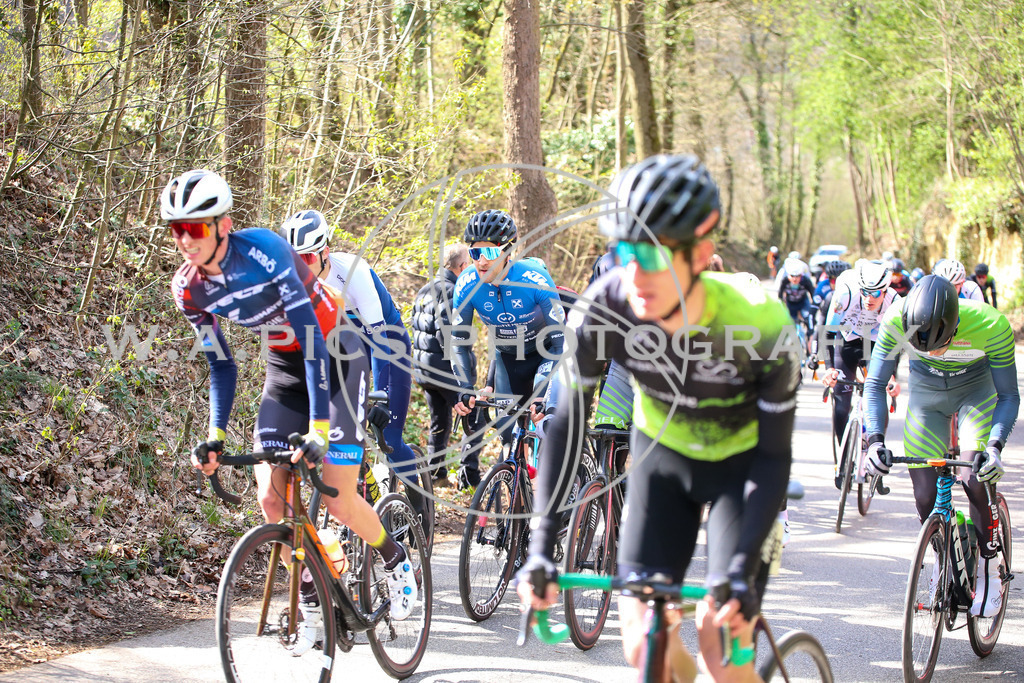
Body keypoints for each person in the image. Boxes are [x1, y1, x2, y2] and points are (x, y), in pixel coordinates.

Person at [518, 155, 799, 682]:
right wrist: (541, 544)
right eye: (625, 251)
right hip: (663, 464)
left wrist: (738, 572)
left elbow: (772, 453)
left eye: (654, 255)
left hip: (743, 473)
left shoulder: (760, 321)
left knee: (722, 639)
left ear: (702, 253)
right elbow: (566, 424)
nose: (636, 272)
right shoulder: (605, 308)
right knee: (641, 640)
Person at [163, 171, 416, 635]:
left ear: (224, 225)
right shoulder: (188, 289)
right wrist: (215, 435)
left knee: (338, 498)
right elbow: (222, 366)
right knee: (270, 499)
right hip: (284, 369)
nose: (186, 240)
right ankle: (310, 590)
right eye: (176, 229)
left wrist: (319, 428)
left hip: (338, 359)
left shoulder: (265, 252)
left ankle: (395, 559)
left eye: (195, 227)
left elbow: (316, 345)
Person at [865, 276, 1018, 617]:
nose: (933, 352)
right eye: (924, 346)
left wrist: (994, 446)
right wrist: (874, 441)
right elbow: (875, 384)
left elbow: (1009, 395)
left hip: (977, 391)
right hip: (926, 395)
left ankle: (989, 566)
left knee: (973, 478)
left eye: (941, 344)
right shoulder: (894, 320)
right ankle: (942, 559)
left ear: (956, 324)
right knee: (925, 498)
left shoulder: (990, 324)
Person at [279, 209, 428, 517]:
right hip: (346, 346)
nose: (300, 269)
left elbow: (381, 341)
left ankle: (420, 512)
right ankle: (365, 504)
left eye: (307, 259)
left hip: (386, 340)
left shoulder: (353, 272)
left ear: (325, 252)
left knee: (388, 434)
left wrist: (382, 395)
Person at [451, 210, 565, 483]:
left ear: (507, 251)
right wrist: (465, 387)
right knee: (508, 439)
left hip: (546, 354)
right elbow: (458, 342)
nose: (479, 261)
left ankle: (563, 491)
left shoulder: (534, 279)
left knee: (545, 426)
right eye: (474, 252)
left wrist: (546, 394)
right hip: (507, 359)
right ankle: (517, 510)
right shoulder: (466, 284)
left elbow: (562, 342)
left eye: (488, 254)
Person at [817, 259, 900, 490]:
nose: (869, 298)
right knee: (842, 404)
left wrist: (892, 377)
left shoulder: (895, 302)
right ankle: (844, 461)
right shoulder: (845, 294)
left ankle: (876, 457)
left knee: (877, 396)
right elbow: (828, 334)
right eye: (865, 291)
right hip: (847, 341)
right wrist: (829, 369)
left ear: (885, 291)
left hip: (877, 346)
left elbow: (896, 345)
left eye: (875, 293)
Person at [409, 243, 485, 488]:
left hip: (424, 370)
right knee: (475, 415)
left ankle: (437, 474)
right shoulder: (452, 290)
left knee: (439, 422)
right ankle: (469, 476)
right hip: (444, 370)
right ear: (462, 267)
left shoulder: (425, 288)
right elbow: (450, 335)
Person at [778, 257, 816, 337]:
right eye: (792, 276)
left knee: (808, 318)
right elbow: (780, 295)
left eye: (797, 276)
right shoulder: (784, 281)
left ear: (801, 275)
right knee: (790, 322)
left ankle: (810, 339)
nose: (795, 279)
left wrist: (814, 307)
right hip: (790, 303)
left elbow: (813, 294)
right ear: (788, 275)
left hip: (803, 302)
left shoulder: (805, 280)